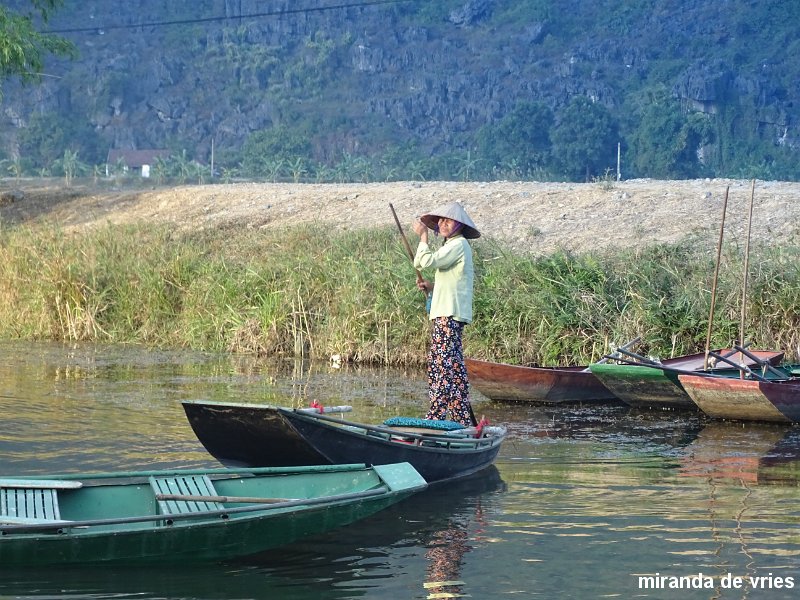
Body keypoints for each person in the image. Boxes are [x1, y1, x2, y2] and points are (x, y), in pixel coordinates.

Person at [412, 201, 480, 426]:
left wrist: (423, 237)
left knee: (440, 366)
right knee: (454, 367)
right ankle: (463, 420)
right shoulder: (452, 246)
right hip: (448, 314)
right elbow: (452, 281)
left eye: (448, 221)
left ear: (459, 225)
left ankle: (435, 417)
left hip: (448, 316)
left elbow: (426, 260)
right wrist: (431, 287)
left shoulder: (458, 245)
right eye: (440, 220)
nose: (442, 224)